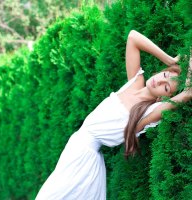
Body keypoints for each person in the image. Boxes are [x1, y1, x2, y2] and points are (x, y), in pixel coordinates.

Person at [35, 30, 192, 200]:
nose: (160, 81)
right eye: (165, 75)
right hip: (77, 147)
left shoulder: (149, 113)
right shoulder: (134, 82)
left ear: (164, 97)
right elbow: (133, 37)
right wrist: (171, 60)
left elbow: (187, 94)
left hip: (85, 159)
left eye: (166, 87)